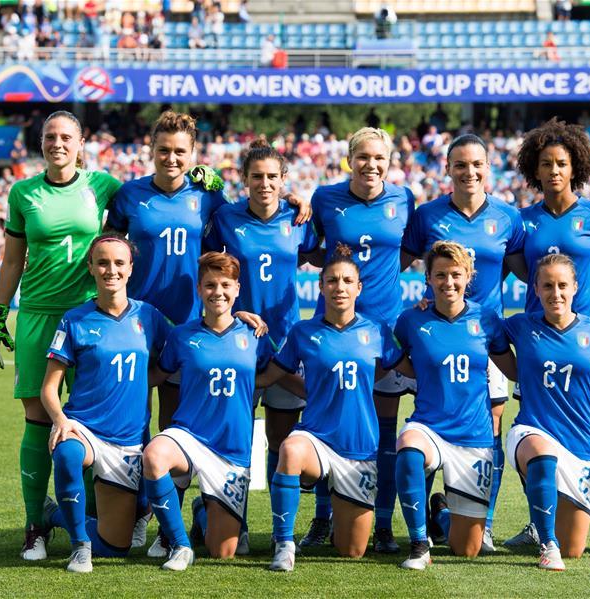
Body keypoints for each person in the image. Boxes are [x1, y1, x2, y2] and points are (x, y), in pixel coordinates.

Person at [106, 111, 306, 554]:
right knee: (138, 425)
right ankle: (142, 513)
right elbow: (109, 249)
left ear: (193, 153)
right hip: (138, 326)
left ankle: (193, 519)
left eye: (180, 151)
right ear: (150, 150)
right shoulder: (129, 195)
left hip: (194, 328)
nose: (171, 158)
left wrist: (291, 197)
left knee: (185, 423)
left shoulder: (209, 197)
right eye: (163, 150)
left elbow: (256, 210)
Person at [0, 110, 122, 561]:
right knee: (37, 416)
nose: (57, 143)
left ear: (81, 144)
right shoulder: (23, 192)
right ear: (41, 143)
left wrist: (204, 181)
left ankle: (88, 522)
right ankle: (34, 526)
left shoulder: (102, 186)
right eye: (50, 136)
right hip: (38, 315)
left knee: (85, 420)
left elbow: (148, 199)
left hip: (87, 317)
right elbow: (12, 260)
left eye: (66, 137)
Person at [505, 118, 590, 556]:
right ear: (534, 170)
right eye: (546, 163)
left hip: (585, 346)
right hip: (538, 347)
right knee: (538, 433)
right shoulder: (523, 222)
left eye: (561, 163)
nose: (554, 170)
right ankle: (538, 524)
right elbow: (508, 271)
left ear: (575, 166)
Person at [401, 134, 525, 552]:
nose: (469, 172)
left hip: (484, 340)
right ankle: (420, 526)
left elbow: (531, 273)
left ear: (488, 167)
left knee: (491, 426)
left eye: (476, 164)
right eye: (460, 164)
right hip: (436, 338)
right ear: (448, 168)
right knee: (427, 423)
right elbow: (392, 265)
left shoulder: (508, 218)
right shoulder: (427, 215)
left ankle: (479, 523)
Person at [142, 252, 300, 571]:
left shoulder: (255, 335)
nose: (218, 292)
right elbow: (157, 375)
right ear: (199, 289)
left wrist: (318, 394)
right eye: (210, 285)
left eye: (226, 285)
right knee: (154, 455)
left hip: (230, 450)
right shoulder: (182, 336)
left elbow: (273, 374)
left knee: (224, 551)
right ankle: (178, 544)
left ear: (237, 289)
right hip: (189, 436)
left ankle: (203, 510)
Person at [303, 127, 415, 553]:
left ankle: (382, 523)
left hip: (383, 331)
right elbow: (311, 247)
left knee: (384, 431)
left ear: (389, 162)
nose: (371, 165)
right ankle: (321, 518)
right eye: (363, 157)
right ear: (349, 159)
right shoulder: (324, 198)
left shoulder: (404, 199)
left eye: (379, 158)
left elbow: (408, 252)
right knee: (326, 423)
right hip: (332, 330)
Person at [268, 245, 404, 571]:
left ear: (359, 288)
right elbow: (274, 373)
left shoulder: (377, 331)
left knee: (352, 551)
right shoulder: (303, 331)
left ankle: (337, 519)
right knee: (290, 449)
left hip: (358, 448)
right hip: (316, 439)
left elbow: (403, 366)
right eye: (332, 280)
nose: (339, 287)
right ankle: (284, 544)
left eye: (346, 281)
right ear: (320, 286)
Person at [40, 234, 172, 573]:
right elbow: (49, 389)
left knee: (115, 548)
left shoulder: (149, 316)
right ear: (90, 267)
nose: (110, 270)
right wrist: (61, 421)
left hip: (126, 443)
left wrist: (237, 319)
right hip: (83, 428)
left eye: (118, 263)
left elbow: (186, 347)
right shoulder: (74, 319)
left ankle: (52, 513)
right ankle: (79, 547)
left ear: (130, 268)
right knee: (67, 454)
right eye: (102, 262)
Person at [204, 139, 320, 491]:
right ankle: (221, 511)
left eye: (272, 177)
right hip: (239, 339)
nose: (264, 184)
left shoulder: (297, 218)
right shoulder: (226, 217)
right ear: (244, 178)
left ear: (283, 179)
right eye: (257, 176)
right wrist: (232, 310)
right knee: (233, 434)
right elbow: (208, 270)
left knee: (282, 441)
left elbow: (313, 255)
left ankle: (277, 521)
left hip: (285, 339)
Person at [393, 241, 517, 569]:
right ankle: (419, 544)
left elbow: (512, 368)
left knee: (467, 549)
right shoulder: (411, 320)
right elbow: (394, 358)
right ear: (428, 279)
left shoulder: (487, 320)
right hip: (429, 428)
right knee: (408, 446)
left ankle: (441, 515)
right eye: (440, 275)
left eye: (455, 275)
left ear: (468, 276)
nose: (448, 282)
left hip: (473, 436)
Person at [503, 254, 590, 570]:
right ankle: (547, 545)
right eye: (547, 286)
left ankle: (445, 516)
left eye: (562, 285)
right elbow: (476, 326)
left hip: (578, 447)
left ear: (575, 287)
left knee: (574, 548)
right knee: (542, 455)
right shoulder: (520, 325)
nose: (555, 293)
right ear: (535, 289)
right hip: (530, 431)